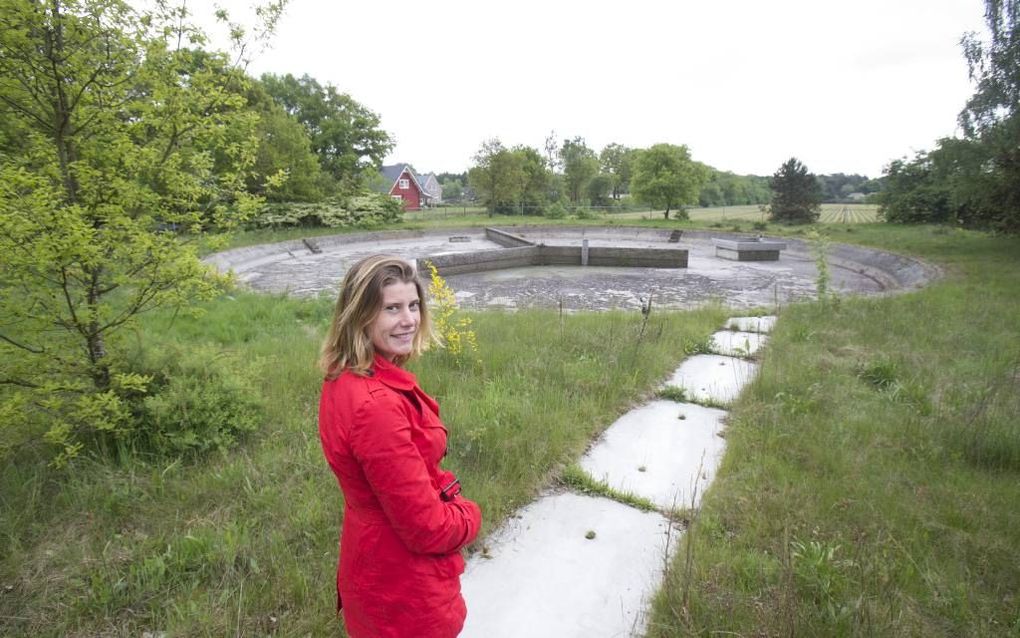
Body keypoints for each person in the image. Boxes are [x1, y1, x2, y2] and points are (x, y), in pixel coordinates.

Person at [318, 255, 482, 638]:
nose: (409, 319)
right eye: (392, 308)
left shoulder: (346, 376)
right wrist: (470, 515)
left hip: (374, 560)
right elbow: (427, 529)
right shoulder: (375, 405)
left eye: (413, 305)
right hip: (402, 586)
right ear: (360, 316)